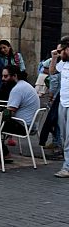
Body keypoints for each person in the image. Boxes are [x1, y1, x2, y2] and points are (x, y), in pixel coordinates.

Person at [0, 65, 40, 161]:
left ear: (14, 76)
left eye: (6, 76)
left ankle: (3, 153)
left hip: (23, 126)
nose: (3, 79)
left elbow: (8, 113)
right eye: (2, 76)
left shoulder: (17, 89)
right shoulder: (24, 85)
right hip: (30, 124)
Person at [49, 38, 69, 177]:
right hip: (63, 103)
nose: (59, 53)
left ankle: (67, 167)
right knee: (63, 136)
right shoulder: (64, 63)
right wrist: (54, 57)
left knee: (68, 138)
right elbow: (52, 71)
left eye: (61, 51)